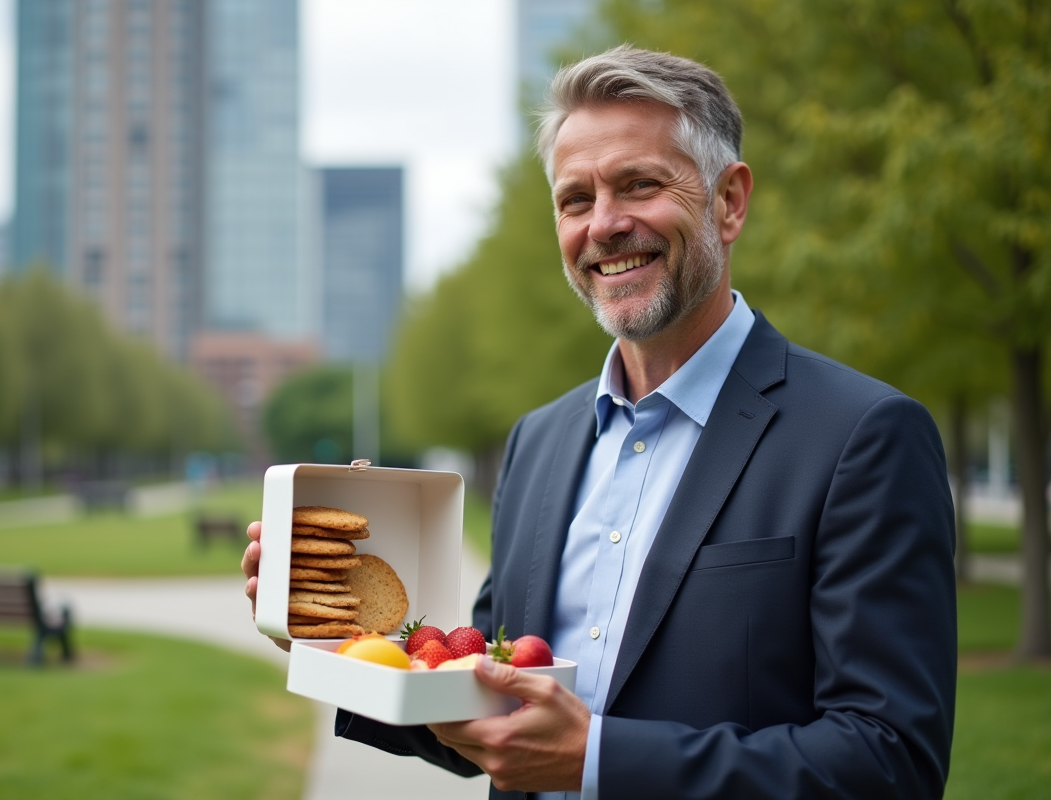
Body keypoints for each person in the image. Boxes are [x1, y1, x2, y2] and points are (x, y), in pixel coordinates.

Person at [241, 45, 956, 799]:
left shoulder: (863, 437)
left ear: (729, 201)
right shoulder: (538, 442)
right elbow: (484, 700)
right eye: (575, 200)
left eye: (640, 185)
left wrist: (596, 761)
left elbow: (889, 762)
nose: (605, 226)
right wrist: (338, 644)